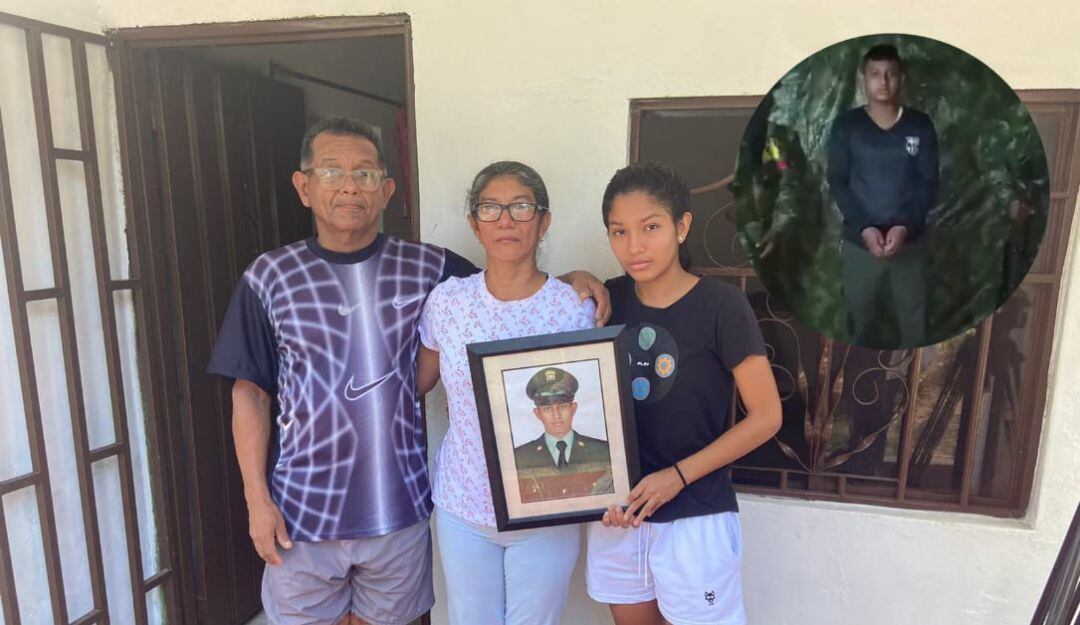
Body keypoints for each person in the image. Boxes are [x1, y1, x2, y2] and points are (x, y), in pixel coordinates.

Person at [207, 119, 608, 625]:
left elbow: (507, 279)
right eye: (332, 171)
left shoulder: (431, 271)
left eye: (366, 174)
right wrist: (256, 501)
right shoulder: (268, 277)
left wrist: (573, 282)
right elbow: (250, 394)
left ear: (387, 190)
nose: (350, 185)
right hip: (301, 513)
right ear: (303, 186)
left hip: (398, 512)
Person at [587, 163, 782, 625]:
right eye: (619, 231)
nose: (633, 246)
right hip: (621, 515)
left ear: (682, 226)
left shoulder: (721, 306)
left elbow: (766, 417)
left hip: (695, 514)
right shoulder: (606, 302)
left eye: (650, 227)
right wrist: (580, 277)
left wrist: (677, 476)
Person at [416, 161, 594, 625]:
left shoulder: (573, 307)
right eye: (491, 208)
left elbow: (595, 406)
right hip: (464, 505)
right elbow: (417, 381)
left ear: (544, 220)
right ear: (475, 223)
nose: (506, 220)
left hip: (546, 508)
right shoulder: (448, 302)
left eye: (521, 207)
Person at [827, 43, 939, 348]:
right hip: (860, 243)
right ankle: (851, 391)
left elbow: (928, 182)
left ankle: (908, 390)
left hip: (910, 241)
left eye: (890, 74)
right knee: (856, 323)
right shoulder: (847, 127)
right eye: (875, 74)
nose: (884, 81)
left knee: (914, 323)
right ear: (863, 79)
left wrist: (905, 226)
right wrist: (865, 227)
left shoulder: (919, 125)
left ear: (901, 78)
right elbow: (837, 181)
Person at [513, 366, 612, 470]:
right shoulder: (520, 457)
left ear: (573, 408)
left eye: (563, 407)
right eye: (547, 409)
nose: (556, 415)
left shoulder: (603, 451)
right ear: (537, 413)